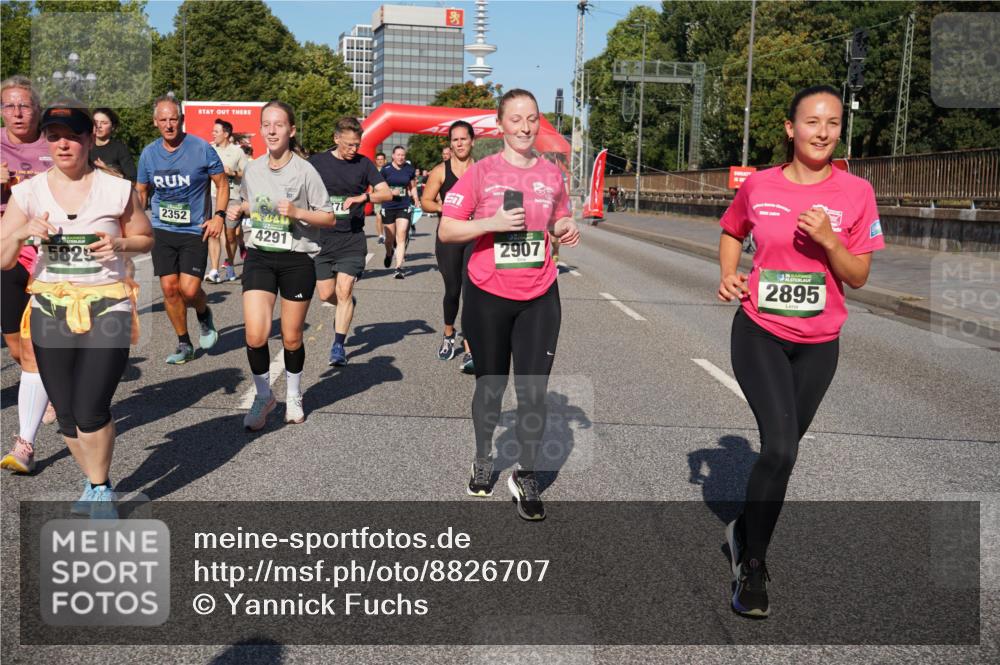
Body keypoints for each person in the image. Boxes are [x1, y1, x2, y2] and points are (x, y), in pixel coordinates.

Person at [717, 85, 884, 618]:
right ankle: (754, 566)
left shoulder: (856, 193)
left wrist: (832, 241)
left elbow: (858, 276)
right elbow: (731, 228)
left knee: (780, 453)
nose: (822, 132)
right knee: (781, 449)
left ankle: (744, 528)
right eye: (812, 122)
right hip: (760, 332)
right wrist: (728, 274)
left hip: (819, 344)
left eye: (832, 123)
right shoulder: (761, 185)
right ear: (791, 129)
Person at [0, 103, 153, 517]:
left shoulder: (115, 189)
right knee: (66, 415)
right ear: (46, 141)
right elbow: (3, 257)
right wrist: (22, 232)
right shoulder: (28, 193)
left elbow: (145, 237)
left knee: (91, 409)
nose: (62, 143)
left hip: (107, 306)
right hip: (51, 307)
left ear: (88, 140)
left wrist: (119, 243)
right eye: (54, 136)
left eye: (71, 135)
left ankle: (101, 488)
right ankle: (94, 480)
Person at [439, 89, 581, 521]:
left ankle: (527, 474)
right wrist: (491, 223)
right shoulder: (481, 173)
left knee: (533, 392)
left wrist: (564, 226)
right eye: (516, 119)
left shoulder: (551, 174)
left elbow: (556, 218)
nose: (524, 127)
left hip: (539, 295)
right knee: (491, 387)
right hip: (488, 295)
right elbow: (447, 230)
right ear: (500, 125)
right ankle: (484, 456)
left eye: (532, 119)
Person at [227, 100, 335, 429]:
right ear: (260, 130)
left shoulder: (305, 171)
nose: (272, 131)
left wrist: (299, 213)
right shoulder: (254, 168)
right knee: (256, 334)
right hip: (260, 254)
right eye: (266, 125)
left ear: (291, 130)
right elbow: (247, 201)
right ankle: (264, 396)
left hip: (296, 258)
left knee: (290, 338)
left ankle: (294, 393)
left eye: (278, 125)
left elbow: (328, 216)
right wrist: (238, 210)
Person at [135, 95, 227, 365]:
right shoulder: (149, 153)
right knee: (169, 288)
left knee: (188, 290)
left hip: (193, 230)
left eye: (173, 119)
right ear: (155, 122)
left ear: (181, 120)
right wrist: (136, 222)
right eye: (163, 120)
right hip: (162, 228)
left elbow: (221, 184)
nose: (168, 124)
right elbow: (142, 191)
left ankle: (203, 313)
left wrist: (218, 216)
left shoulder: (201, 148)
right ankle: (184, 343)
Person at [0, 75, 56, 474]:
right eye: (9, 106)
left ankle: (25, 441)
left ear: (37, 109)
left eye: (24, 105)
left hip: (50, 257)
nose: (18, 113)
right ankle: (41, 386)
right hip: (6, 253)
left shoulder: (55, 142)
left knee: (36, 346)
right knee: (16, 344)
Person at [308, 117, 391, 367]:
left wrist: (363, 197)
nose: (354, 149)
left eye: (357, 144)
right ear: (336, 139)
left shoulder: (364, 164)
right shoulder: (317, 162)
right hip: (323, 239)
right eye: (349, 145)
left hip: (352, 239)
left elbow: (386, 193)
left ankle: (338, 345)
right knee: (327, 293)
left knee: (344, 289)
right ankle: (347, 304)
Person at [421, 120, 475, 368]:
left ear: (472, 141)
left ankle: (470, 345)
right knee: (453, 290)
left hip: (476, 238)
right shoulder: (440, 171)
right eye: (455, 139)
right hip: (450, 237)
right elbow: (426, 201)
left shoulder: (483, 170)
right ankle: (449, 334)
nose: (460, 143)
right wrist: (447, 207)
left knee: (473, 291)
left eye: (464, 138)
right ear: (450, 144)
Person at [206, 118, 248, 283]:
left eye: (216, 131)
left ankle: (230, 264)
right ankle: (214, 270)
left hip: (233, 197)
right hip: (213, 196)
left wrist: (233, 172)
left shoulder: (237, 152)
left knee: (231, 236)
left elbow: (246, 173)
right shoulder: (209, 149)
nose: (213, 134)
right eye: (213, 131)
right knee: (213, 232)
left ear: (226, 134)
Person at [379, 145, 417, 279]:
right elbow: (379, 188)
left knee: (401, 236)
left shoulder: (409, 169)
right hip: (388, 205)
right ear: (393, 156)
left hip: (404, 205)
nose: (401, 157)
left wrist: (416, 199)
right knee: (389, 238)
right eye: (398, 155)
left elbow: (412, 187)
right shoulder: (386, 170)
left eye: (403, 155)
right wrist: (390, 192)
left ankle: (398, 267)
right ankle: (389, 253)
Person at [89, 108, 136, 181]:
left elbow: (132, 179)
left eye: (104, 123)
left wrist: (108, 170)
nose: (99, 126)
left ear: (113, 127)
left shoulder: (120, 149)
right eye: (95, 122)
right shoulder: (84, 147)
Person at [373, 152, 386, 245]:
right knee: (378, 216)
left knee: (389, 218)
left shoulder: (388, 170)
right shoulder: (373, 171)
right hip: (377, 196)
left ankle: (391, 235)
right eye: (378, 159)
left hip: (388, 197)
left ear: (385, 160)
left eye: (381, 159)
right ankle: (381, 236)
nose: (380, 161)